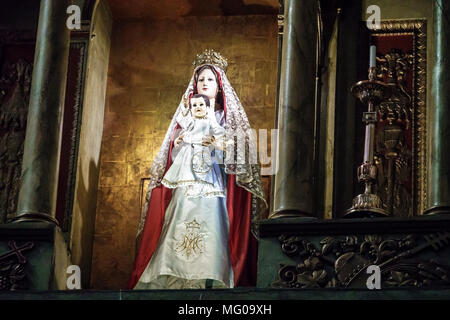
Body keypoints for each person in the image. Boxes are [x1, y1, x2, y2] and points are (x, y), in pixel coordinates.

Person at [128, 49, 266, 289]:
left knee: (212, 220)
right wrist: (179, 143)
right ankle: (173, 276)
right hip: (186, 184)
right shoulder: (185, 117)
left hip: (214, 182)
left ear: (219, 85)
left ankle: (210, 277)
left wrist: (218, 145)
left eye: (210, 79)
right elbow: (173, 153)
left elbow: (238, 150)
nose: (204, 83)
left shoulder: (226, 117)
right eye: (200, 79)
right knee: (178, 219)